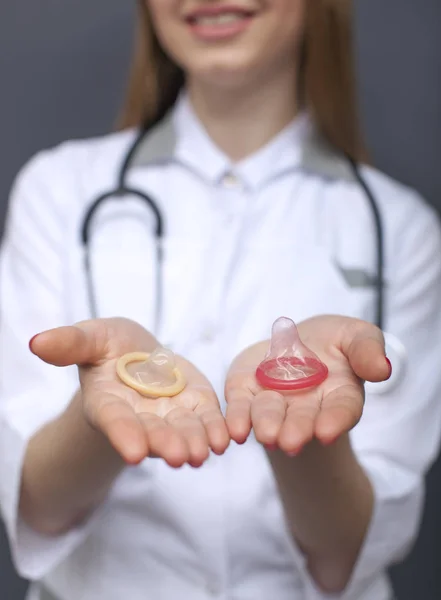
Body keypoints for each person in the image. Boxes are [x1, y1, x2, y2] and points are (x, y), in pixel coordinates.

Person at [1, 1, 441, 599]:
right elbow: (37, 510)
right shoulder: (58, 193)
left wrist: (300, 429)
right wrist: (95, 416)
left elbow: (347, 553)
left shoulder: (400, 230)